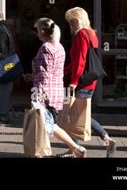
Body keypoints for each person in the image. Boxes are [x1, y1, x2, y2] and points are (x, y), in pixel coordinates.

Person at [25, 18, 87, 158]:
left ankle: (74, 148)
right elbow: (52, 71)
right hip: (56, 91)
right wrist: (32, 76)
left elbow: (45, 74)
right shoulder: (59, 47)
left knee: (46, 124)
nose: (37, 33)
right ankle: (75, 148)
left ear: (42, 31)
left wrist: (38, 95)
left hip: (44, 92)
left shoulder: (45, 47)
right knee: (48, 124)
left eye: (37, 30)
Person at [64, 7, 116, 157]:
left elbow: (80, 61)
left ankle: (104, 139)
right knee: (79, 114)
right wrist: (64, 72)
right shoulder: (91, 34)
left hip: (81, 81)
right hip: (89, 81)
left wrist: (73, 81)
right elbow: (78, 62)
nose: (70, 25)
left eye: (71, 21)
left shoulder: (81, 34)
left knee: (78, 114)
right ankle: (76, 148)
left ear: (78, 20)